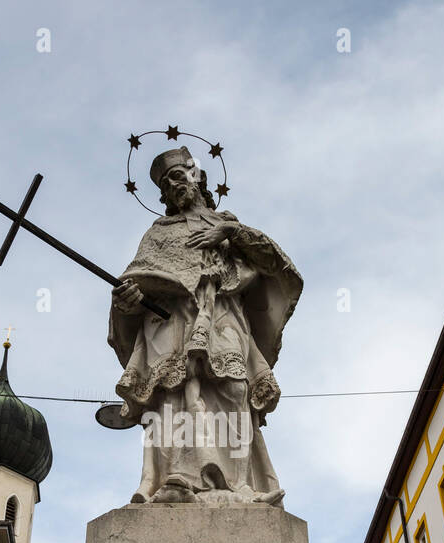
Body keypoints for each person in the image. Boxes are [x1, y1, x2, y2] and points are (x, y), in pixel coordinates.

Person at [108, 146, 302, 504]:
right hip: (169, 320)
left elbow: (274, 263)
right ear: (163, 195)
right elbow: (134, 280)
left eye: (180, 176)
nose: (175, 185)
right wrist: (128, 300)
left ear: (197, 178)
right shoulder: (158, 233)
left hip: (223, 313)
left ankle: (239, 484)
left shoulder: (227, 224)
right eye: (167, 183)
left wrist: (228, 232)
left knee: (235, 389)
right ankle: (175, 477)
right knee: (176, 389)